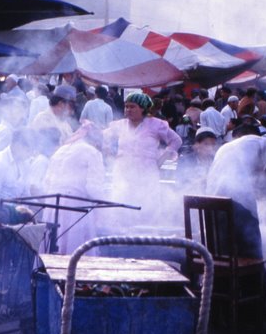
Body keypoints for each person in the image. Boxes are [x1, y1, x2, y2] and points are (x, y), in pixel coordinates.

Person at [205, 128, 266, 262]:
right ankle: (254, 278)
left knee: (223, 251)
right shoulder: (265, 142)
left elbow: (254, 176)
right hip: (236, 203)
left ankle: (224, 280)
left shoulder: (227, 147)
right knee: (253, 251)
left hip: (212, 205)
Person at [100, 91, 182, 234]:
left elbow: (176, 141)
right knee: (123, 207)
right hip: (123, 173)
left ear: (143, 108)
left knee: (146, 208)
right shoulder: (120, 125)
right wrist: (109, 153)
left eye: (132, 107)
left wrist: (163, 157)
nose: (128, 110)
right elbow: (102, 137)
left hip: (147, 173)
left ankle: (146, 240)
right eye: (126, 107)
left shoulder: (156, 124)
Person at [42, 122, 108, 253]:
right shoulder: (93, 153)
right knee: (75, 248)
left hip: (52, 203)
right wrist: (105, 207)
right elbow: (93, 188)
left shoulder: (60, 151)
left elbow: (46, 183)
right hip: (75, 206)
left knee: (51, 246)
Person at [0, 127, 37, 214]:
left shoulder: (25, 164)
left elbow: (25, 194)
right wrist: (14, 210)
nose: (31, 154)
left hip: (18, 215)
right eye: (29, 150)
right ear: (17, 145)